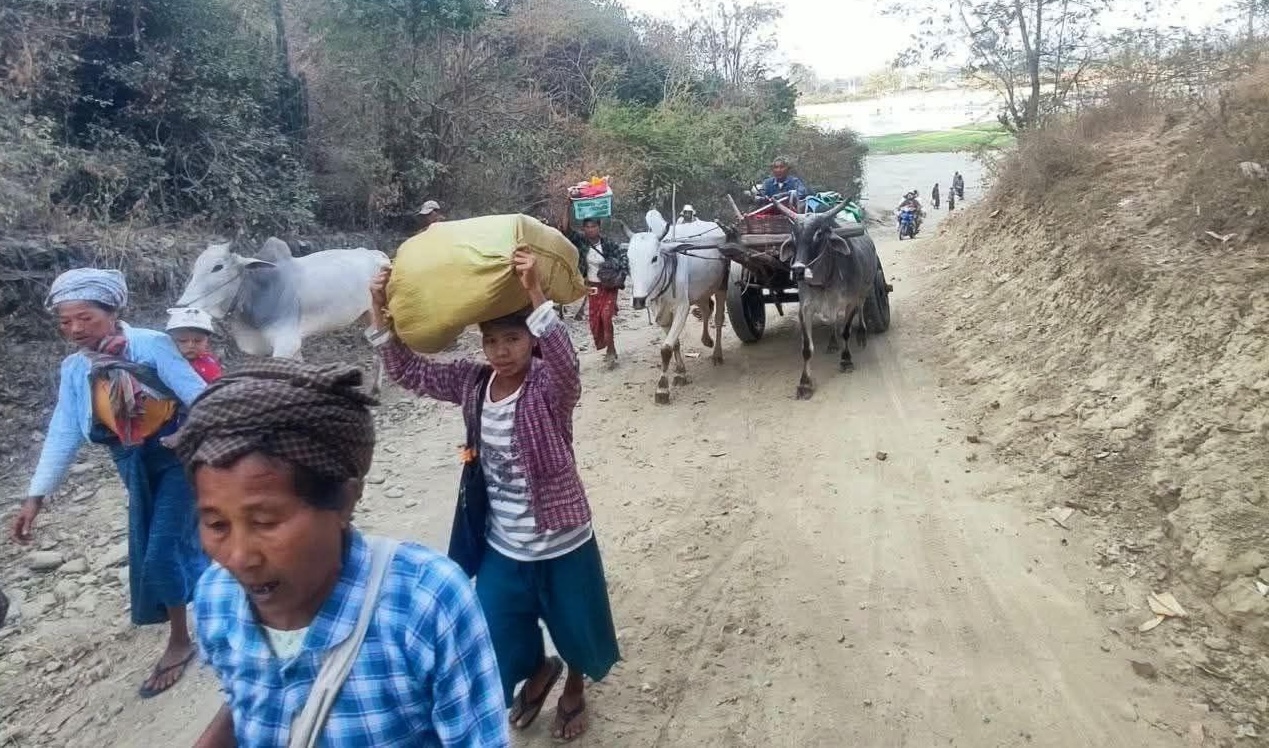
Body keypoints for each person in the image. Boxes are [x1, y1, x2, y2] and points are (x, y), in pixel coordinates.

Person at [167, 360, 508, 747]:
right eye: (216, 525)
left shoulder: (426, 604)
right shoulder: (216, 597)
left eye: (264, 522)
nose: (239, 557)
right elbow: (248, 699)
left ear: (345, 501)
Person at [368, 250, 620, 742]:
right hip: (503, 543)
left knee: (576, 623)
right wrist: (379, 308)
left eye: (512, 338)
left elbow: (568, 364)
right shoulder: (473, 382)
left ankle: (573, 685)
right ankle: (539, 672)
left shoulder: (549, 385)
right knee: (495, 630)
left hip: (563, 538)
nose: (501, 351)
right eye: (491, 341)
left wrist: (534, 293)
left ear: (531, 340)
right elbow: (411, 372)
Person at [12, 268, 208, 697]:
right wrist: (35, 497)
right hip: (131, 462)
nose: (75, 330)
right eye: (65, 322)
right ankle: (219, 593)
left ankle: (180, 640)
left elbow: (199, 396)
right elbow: (64, 429)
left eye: (86, 318)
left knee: (158, 549)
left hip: (177, 457)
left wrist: (189, 433)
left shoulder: (151, 345)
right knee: (166, 539)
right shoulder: (74, 369)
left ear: (114, 311)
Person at [563, 214, 627, 368]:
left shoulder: (609, 244)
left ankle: (611, 352)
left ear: (599, 228)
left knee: (606, 317)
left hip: (609, 286)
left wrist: (617, 272)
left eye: (594, 226)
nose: (591, 230)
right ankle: (609, 347)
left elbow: (623, 259)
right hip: (591, 287)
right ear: (583, 229)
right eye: (588, 227)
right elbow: (566, 229)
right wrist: (567, 204)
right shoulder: (581, 243)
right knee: (595, 321)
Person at [165, 307, 222, 383]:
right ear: (170, 340)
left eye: (198, 341)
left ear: (207, 341)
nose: (190, 345)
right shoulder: (165, 362)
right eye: (182, 340)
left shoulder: (209, 365)